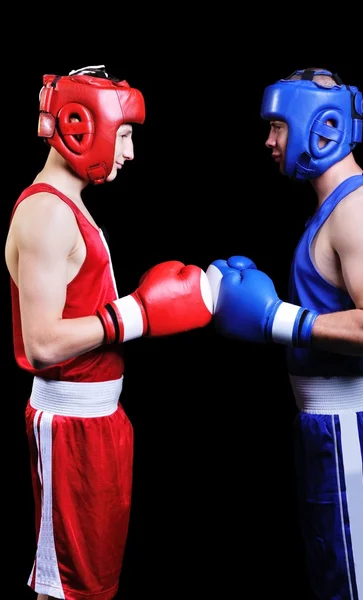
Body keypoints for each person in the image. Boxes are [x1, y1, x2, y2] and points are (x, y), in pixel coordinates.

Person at [5, 65, 213, 600]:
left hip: (99, 421)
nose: (129, 152)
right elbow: (42, 343)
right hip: (69, 426)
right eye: (124, 135)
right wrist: (135, 315)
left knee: (96, 583)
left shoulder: (70, 207)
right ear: (82, 126)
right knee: (68, 588)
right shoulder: (47, 215)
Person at [206, 68, 363, 599]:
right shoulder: (333, 207)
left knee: (361, 584)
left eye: (277, 127)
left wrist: (276, 320)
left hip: (352, 432)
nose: (269, 141)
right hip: (327, 429)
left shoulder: (359, 210)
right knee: (335, 577)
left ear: (320, 126)